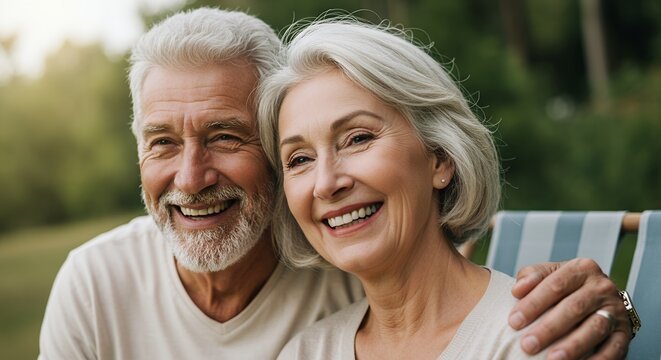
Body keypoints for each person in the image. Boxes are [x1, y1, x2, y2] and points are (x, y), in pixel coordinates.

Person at [37, 7, 632, 360]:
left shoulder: (354, 272)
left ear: (440, 158)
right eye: (162, 142)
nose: (190, 178)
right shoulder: (94, 285)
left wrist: (621, 310)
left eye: (224, 136)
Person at [258, 17, 632, 360]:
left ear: (440, 158)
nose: (326, 183)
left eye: (357, 138)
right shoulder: (306, 351)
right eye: (299, 160)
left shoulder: (540, 335)